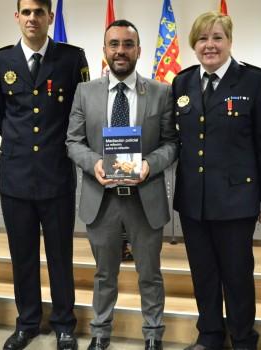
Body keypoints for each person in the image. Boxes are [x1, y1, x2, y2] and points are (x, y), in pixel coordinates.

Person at [171, 12, 261, 350]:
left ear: (229, 41)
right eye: (203, 39)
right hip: (194, 200)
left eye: (217, 37)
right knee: (203, 274)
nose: (210, 45)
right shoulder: (183, 82)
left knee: (236, 275)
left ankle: (243, 337)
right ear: (194, 45)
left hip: (236, 200)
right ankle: (209, 335)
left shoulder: (253, 81)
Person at [66, 19, 178, 350]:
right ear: (104, 50)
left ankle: (153, 334)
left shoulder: (161, 92)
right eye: (113, 44)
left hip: (145, 196)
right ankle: (100, 333)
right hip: (102, 198)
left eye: (127, 44)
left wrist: (149, 165)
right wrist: (95, 163)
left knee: (150, 274)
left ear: (139, 51)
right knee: (104, 274)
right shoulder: (84, 92)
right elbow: (73, 142)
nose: (120, 51)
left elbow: (172, 143)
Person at [0, 0, 89, 349]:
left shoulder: (72, 58)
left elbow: (79, 114)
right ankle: (27, 322)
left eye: (39, 12)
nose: (32, 18)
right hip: (16, 178)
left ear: (50, 17)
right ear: (17, 17)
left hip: (57, 175)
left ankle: (64, 324)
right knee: (23, 255)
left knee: (60, 255)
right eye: (26, 12)